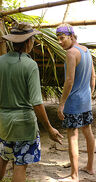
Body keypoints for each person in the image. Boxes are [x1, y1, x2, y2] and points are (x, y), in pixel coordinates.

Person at [0, 22, 63, 182]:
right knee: (20, 165)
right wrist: (49, 128)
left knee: (2, 158)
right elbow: (36, 102)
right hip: (24, 126)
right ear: (28, 42)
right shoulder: (30, 65)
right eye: (32, 38)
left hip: (3, 123)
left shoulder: (0, 61)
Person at [56, 23, 96, 182]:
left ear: (71, 36)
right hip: (85, 101)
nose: (60, 42)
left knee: (72, 137)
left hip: (73, 102)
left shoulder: (72, 53)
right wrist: (88, 94)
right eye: (58, 39)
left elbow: (69, 80)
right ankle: (90, 167)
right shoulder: (86, 51)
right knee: (88, 132)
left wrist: (61, 103)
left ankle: (74, 175)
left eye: (62, 38)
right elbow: (93, 77)